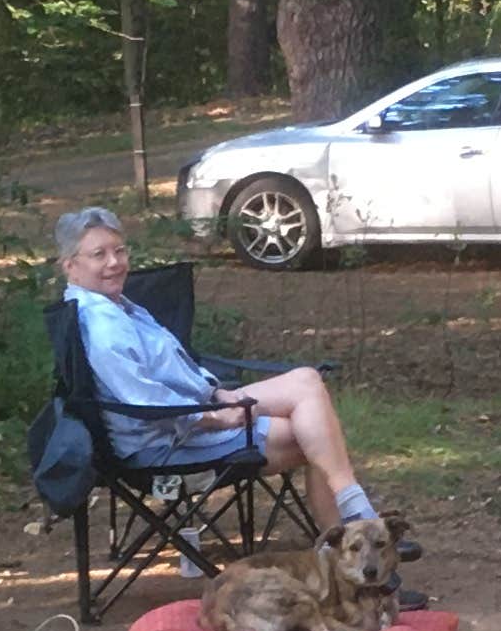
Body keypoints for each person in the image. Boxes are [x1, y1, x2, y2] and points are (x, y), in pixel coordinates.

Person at [53, 206, 403, 549]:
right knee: (315, 438)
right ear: (71, 266)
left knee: (307, 382)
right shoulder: (101, 327)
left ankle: (350, 529)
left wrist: (218, 394)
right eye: (99, 254)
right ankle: (354, 537)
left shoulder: (117, 306)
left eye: (119, 250)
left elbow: (179, 366)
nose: (115, 262)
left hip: (192, 414)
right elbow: (146, 403)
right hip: (166, 445)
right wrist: (217, 420)